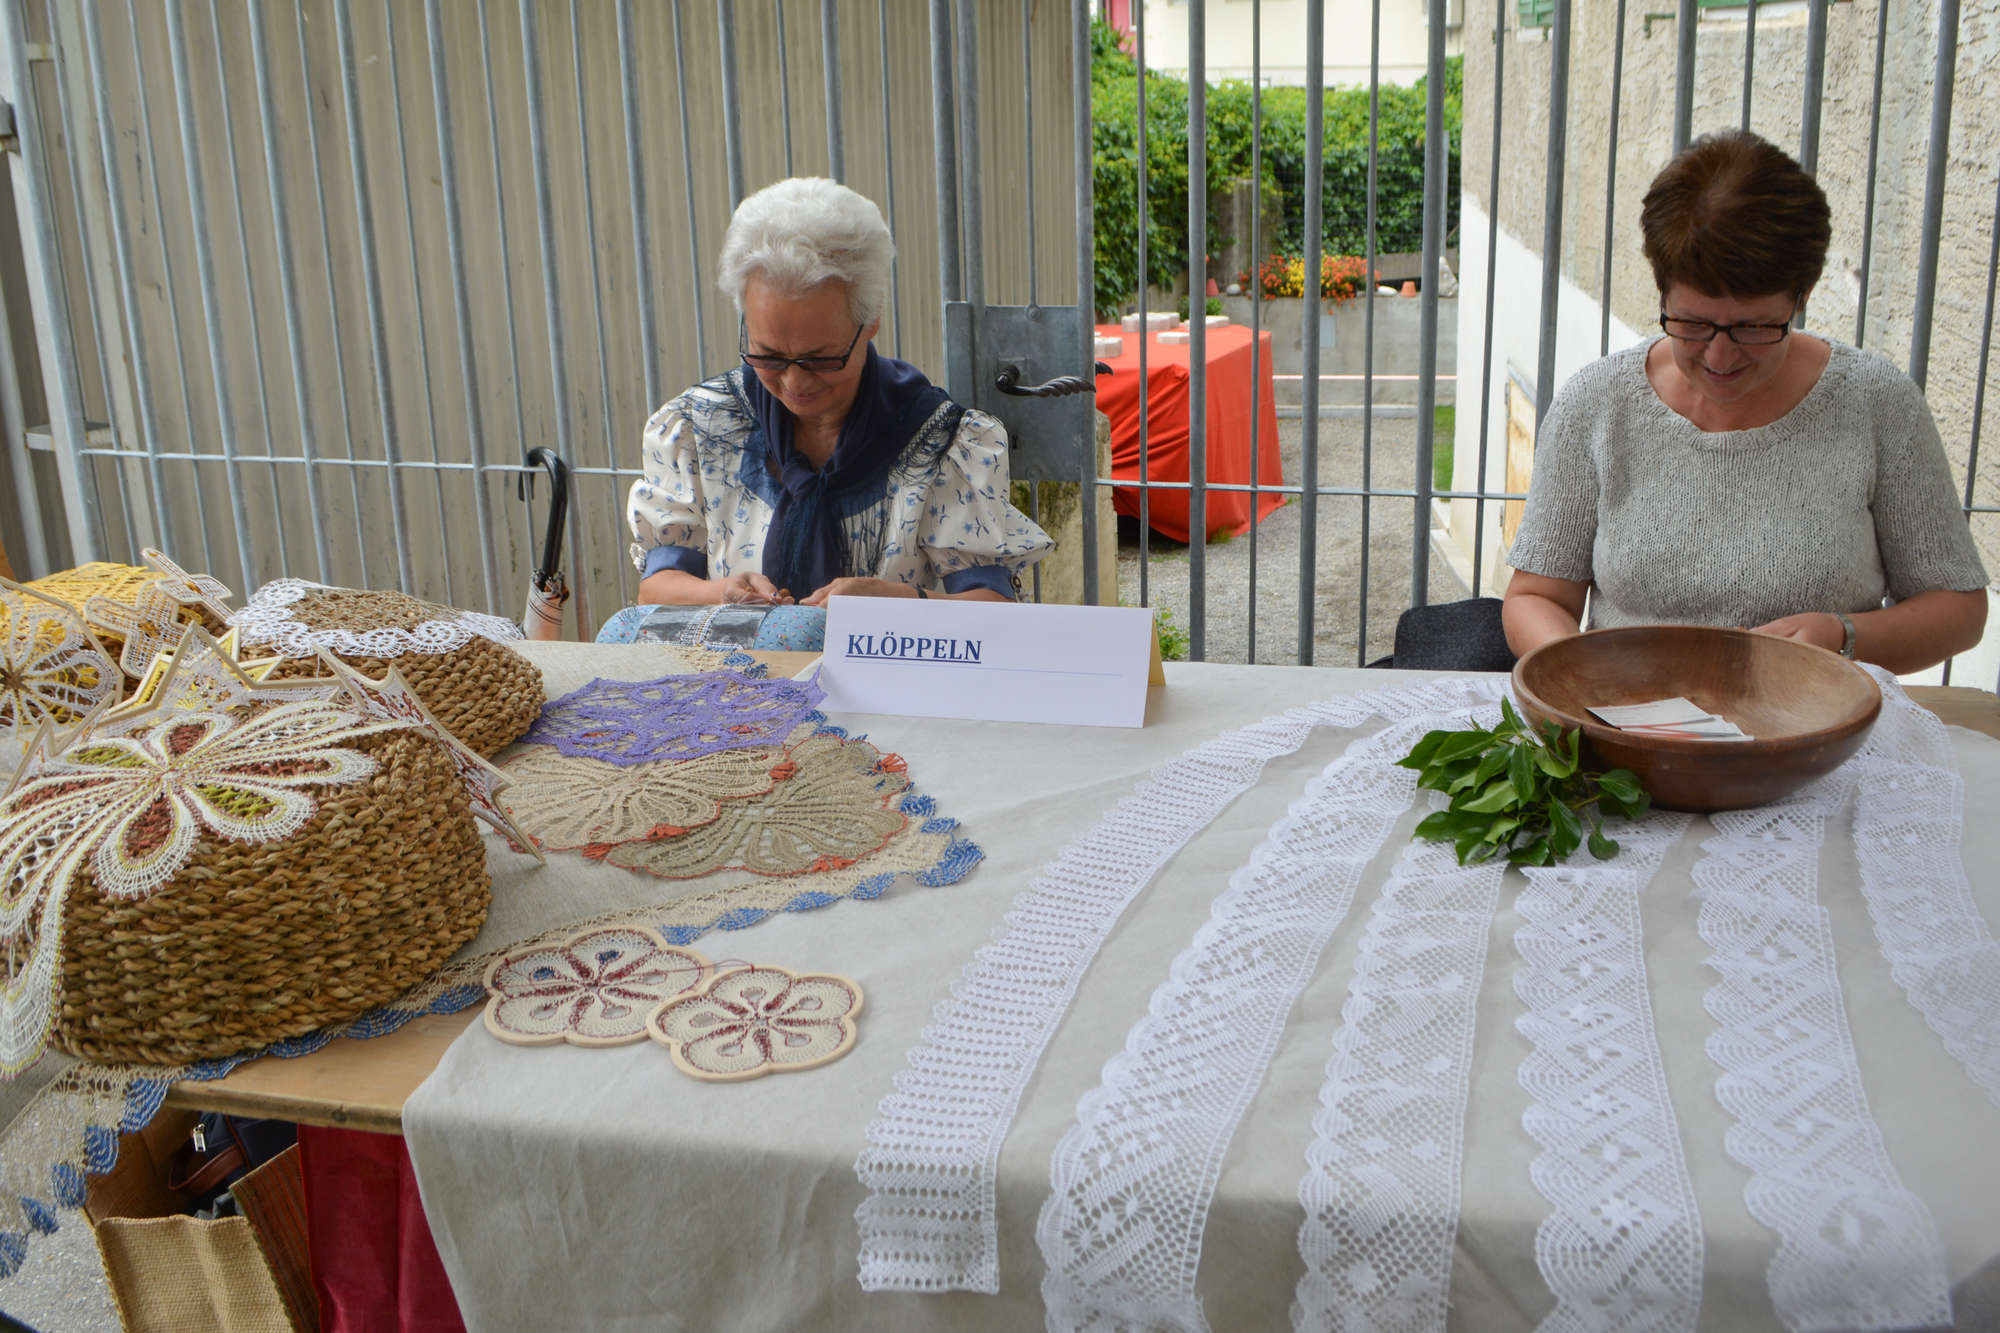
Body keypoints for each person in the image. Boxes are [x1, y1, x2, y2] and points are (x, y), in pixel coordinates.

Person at [1501, 130, 1988, 674]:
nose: (1719, 356)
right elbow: (1535, 597)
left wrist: (1843, 636)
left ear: (1802, 296)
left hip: (1817, 717)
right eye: (1692, 323)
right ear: (1662, 291)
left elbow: (1957, 609)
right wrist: (1584, 674)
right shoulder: (1597, 405)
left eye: (1754, 327)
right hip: (1626, 713)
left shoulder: (1876, 403)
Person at [627, 177, 1053, 610]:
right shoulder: (698, 429)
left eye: (820, 359)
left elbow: (995, 608)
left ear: (871, 321)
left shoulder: (941, 443)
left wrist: (901, 602)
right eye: (769, 356)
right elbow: (654, 589)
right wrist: (722, 592)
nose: (794, 383)